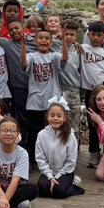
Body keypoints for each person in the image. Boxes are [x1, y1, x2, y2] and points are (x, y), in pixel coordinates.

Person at [20, 28, 69, 158]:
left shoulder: (54, 56)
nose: (44, 41)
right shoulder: (32, 56)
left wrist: (63, 40)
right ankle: (33, 158)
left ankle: (52, 156)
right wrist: (23, 46)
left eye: (47, 38)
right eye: (40, 38)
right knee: (34, 131)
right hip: (35, 100)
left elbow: (64, 58)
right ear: (35, 41)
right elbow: (24, 63)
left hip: (52, 99)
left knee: (53, 130)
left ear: (51, 42)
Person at [78, 21, 104, 168]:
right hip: (90, 92)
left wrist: (103, 89)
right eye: (93, 34)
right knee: (93, 123)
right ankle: (94, 153)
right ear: (88, 35)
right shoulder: (82, 49)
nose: (95, 37)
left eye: (99, 35)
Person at [35, 99, 83, 197]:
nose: (55, 118)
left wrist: (57, 177)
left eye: (59, 116)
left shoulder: (70, 135)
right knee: (42, 190)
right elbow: (40, 158)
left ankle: (73, 186)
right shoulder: (41, 135)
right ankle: (57, 184)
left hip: (65, 172)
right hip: (49, 171)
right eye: (52, 115)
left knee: (58, 191)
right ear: (47, 118)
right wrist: (49, 176)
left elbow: (71, 161)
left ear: (64, 118)